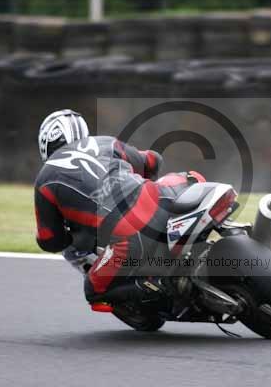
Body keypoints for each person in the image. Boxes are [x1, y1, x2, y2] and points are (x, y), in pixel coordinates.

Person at [34, 109, 205, 307]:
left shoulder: (44, 180)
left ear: (45, 143)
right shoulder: (106, 143)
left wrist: (75, 234)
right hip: (160, 201)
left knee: (93, 291)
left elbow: (50, 240)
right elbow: (152, 160)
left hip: (127, 239)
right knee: (188, 179)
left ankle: (164, 289)